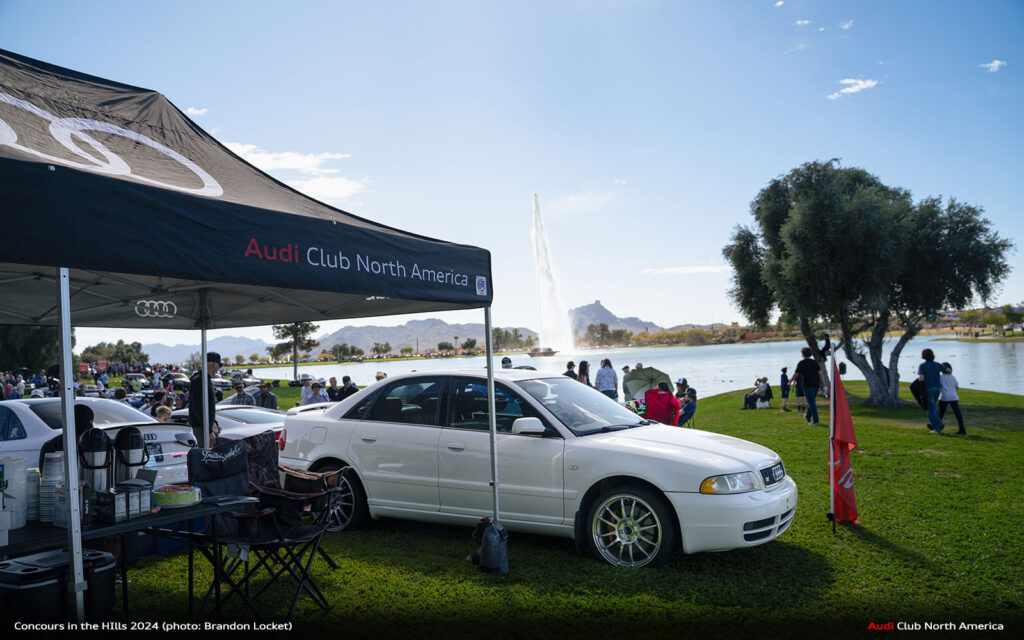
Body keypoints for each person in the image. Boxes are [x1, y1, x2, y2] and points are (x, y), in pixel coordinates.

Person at [188, 352, 222, 445]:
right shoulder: (200, 380)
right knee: (205, 453)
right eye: (219, 365)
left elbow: (208, 407)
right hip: (201, 430)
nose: (219, 369)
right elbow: (199, 408)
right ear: (213, 364)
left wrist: (214, 423)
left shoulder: (205, 379)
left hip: (205, 428)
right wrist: (208, 431)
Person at [918, 349, 951, 434]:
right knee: (933, 408)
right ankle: (938, 422)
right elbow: (948, 370)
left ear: (923, 356)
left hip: (929, 389)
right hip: (937, 389)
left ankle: (936, 429)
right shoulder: (937, 364)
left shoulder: (922, 366)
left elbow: (921, 379)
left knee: (930, 410)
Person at [791, 348, 825, 425]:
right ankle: (807, 416)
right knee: (812, 402)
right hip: (816, 385)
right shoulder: (814, 362)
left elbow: (796, 374)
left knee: (812, 403)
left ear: (803, 354)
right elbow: (820, 374)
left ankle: (816, 421)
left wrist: (790, 381)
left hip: (807, 385)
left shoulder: (801, 363)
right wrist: (824, 385)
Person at [938, 362, 966, 435]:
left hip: (944, 397)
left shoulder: (940, 377)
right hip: (953, 397)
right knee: (958, 414)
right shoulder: (953, 377)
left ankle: (937, 427)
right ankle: (962, 429)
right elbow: (956, 387)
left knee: (940, 413)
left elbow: (938, 387)